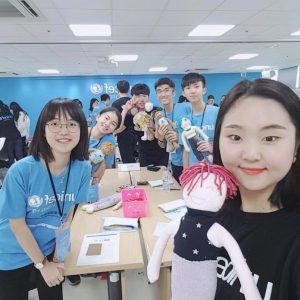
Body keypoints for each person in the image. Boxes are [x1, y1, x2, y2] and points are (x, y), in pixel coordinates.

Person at [213, 78, 300, 299]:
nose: (251, 154)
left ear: (296, 145)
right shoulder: (213, 215)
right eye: (235, 137)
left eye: (270, 138)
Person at [0, 98, 91, 300]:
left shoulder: (83, 168)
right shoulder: (21, 170)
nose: (64, 131)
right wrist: (42, 264)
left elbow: (68, 217)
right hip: (10, 252)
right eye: (55, 124)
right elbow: (17, 224)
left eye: (71, 124)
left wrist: (57, 256)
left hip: (50, 249)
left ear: (81, 130)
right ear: (43, 129)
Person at [154, 77, 191, 182]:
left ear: (173, 93)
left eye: (166, 90)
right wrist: (160, 138)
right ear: (157, 96)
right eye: (159, 91)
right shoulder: (159, 117)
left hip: (191, 161)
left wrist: (179, 137)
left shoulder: (186, 107)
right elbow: (162, 145)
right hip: (176, 162)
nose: (163, 94)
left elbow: (198, 129)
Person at [181, 73, 219, 167]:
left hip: (216, 170)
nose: (192, 91)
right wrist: (186, 173)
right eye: (188, 88)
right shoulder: (185, 121)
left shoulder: (217, 112)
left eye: (196, 86)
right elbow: (186, 150)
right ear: (183, 93)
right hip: (195, 171)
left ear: (204, 90)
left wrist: (211, 148)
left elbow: (229, 142)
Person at [127, 83, 169, 167]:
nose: (141, 99)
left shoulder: (157, 111)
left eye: (144, 96)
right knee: (145, 178)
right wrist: (126, 109)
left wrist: (153, 126)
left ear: (148, 97)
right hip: (143, 153)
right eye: (138, 96)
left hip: (160, 152)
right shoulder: (131, 114)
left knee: (161, 178)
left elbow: (165, 132)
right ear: (133, 98)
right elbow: (118, 127)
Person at [88, 107, 121, 184]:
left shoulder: (109, 142)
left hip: (90, 180)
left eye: (113, 124)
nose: (107, 124)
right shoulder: (80, 133)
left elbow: (106, 166)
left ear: (114, 129)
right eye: (106, 118)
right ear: (98, 117)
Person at [112, 80, 138, 163]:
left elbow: (116, 121)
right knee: (135, 159)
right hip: (136, 134)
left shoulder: (115, 104)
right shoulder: (133, 102)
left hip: (123, 135)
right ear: (128, 89)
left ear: (117, 89)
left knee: (127, 160)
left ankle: (131, 176)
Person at [0, 100, 23, 167]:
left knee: (11, 157)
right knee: (19, 157)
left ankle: (14, 174)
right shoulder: (9, 112)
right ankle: (22, 172)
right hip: (17, 136)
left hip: (8, 138)